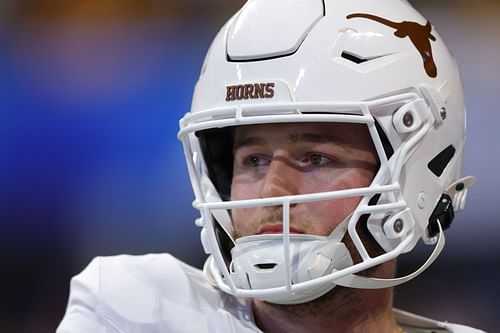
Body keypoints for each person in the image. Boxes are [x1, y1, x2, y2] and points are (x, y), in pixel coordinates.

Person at [57, 0, 485, 332]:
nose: (272, 190)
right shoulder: (132, 310)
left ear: (418, 171)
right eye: (254, 159)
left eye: (317, 158)